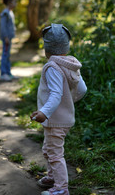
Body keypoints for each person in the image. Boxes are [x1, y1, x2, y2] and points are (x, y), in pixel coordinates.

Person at [30, 23, 87, 195]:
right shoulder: (71, 64)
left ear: (47, 49)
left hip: (55, 119)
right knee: (48, 149)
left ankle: (61, 188)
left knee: (54, 154)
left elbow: (55, 94)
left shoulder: (52, 67)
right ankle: (53, 177)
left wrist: (44, 112)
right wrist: (69, 102)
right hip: (63, 118)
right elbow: (82, 90)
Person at [0, 0, 17, 81]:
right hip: (6, 38)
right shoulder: (5, 13)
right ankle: (3, 73)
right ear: (10, 3)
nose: (15, 4)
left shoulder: (10, 12)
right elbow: (3, 27)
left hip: (9, 38)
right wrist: (6, 37)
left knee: (8, 55)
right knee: (5, 55)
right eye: (14, 2)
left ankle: (8, 72)